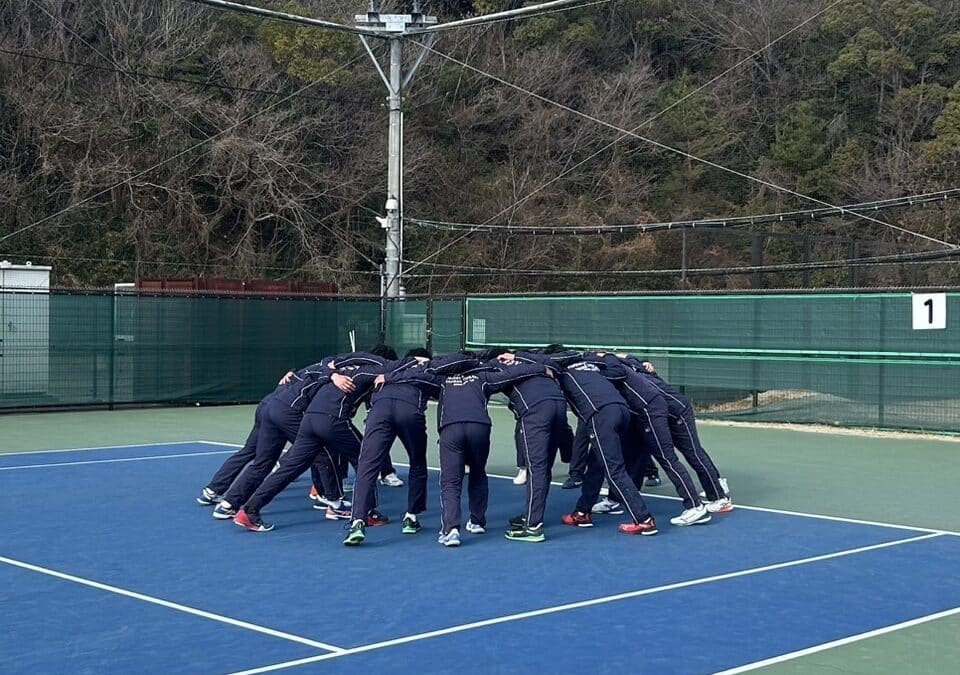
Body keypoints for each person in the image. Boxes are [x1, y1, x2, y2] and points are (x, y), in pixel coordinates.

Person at [233, 346, 399, 532]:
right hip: (332, 419)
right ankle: (366, 513)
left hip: (309, 419)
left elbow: (327, 361)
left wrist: (332, 374)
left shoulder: (344, 366)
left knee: (290, 468)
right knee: (365, 460)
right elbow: (404, 367)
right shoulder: (380, 366)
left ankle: (250, 510)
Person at [196, 351, 381, 516]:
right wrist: (334, 376)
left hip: (270, 404)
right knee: (322, 452)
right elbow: (326, 368)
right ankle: (331, 500)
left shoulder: (325, 367)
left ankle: (228, 503)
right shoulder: (332, 370)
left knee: (261, 460)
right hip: (288, 410)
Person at [343, 349, 478, 546]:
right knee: (417, 462)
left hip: (379, 412)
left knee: (367, 466)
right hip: (410, 411)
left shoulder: (391, 368)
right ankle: (412, 516)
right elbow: (455, 369)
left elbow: (358, 368)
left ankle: (357, 521)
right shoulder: (432, 370)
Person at [522, 346, 658, 536]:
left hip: (601, 414)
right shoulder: (590, 364)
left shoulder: (562, 367)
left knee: (614, 469)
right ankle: (582, 511)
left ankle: (644, 519)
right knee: (595, 463)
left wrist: (515, 355)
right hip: (621, 410)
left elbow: (542, 363)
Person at [587, 353, 711, 527]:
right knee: (632, 455)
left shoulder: (613, 365)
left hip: (650, 410)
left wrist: (603, 363)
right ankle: (616, 499)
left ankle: (695, 506)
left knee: (667, 458)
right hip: (638, 414)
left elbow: (616, 371)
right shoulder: (617, 364)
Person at [490, 349, 573, 543]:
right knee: (543, 469)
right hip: (558, 407)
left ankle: (533, 526)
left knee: (536, 468)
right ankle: (531, 516)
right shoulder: (537, 364)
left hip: (535, 410)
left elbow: (487, 381)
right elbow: (551, 364)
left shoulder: (499, 367)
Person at [629, 357, 732, 513]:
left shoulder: (631, 370)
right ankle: (716, 492)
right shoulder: (632, 370)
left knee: (693, 453)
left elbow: (628, 357)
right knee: (688, 453)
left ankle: (719, 497)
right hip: (662, 415)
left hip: (677, 412)